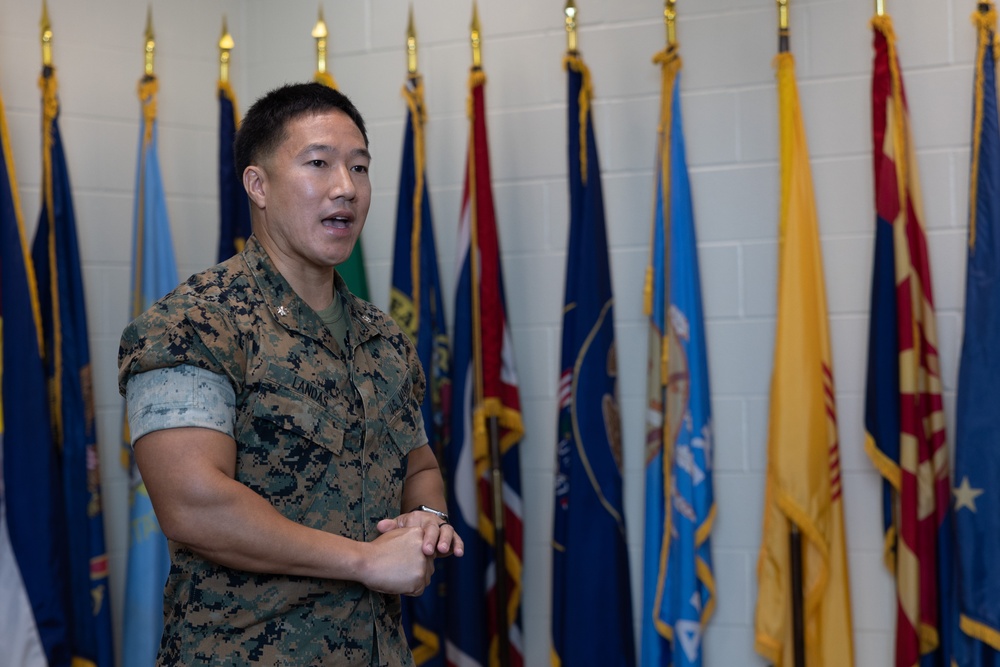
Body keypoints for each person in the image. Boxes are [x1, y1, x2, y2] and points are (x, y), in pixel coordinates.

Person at [118, 82, 463, 666]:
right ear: (258, 184)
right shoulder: (195, 324)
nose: (345, 188)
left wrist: (426, 522)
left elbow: (420, 464)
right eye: (319, 164)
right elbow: (194, 505)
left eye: (359, 167)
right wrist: (364, 559)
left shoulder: (384, 339)